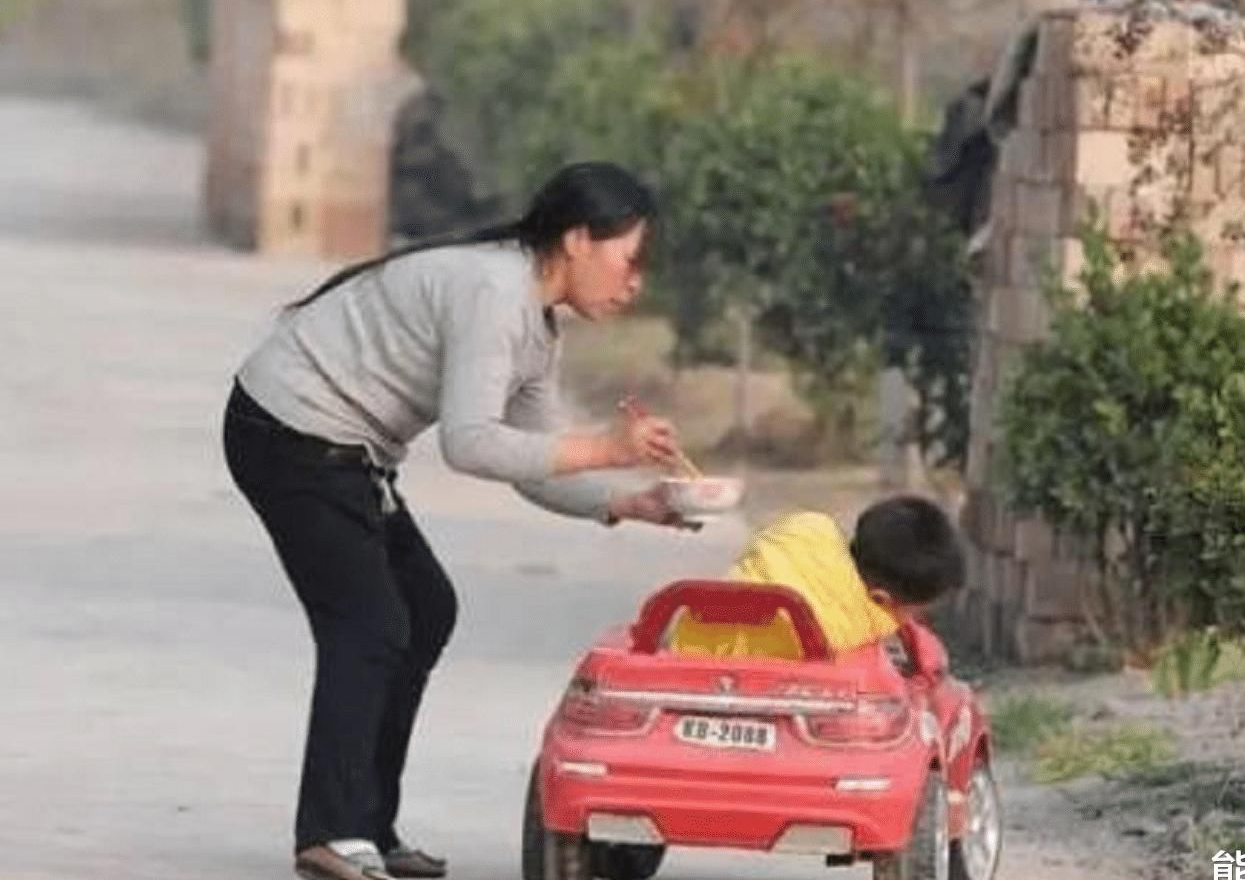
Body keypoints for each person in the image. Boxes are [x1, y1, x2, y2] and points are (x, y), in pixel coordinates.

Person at [223, 162, 696, 880]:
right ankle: (330, 832)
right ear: (578, 239)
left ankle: (368, 827)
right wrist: (608, 447)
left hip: (344, 453)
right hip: (289, 430)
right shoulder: (495, 292)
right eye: (630, 259)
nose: (635, 284)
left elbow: (530, 466)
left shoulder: (535, 327)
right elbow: (470, 443)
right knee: (372, 624)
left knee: (426, 608)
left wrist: (631, 502)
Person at [668, 495, 965, 660]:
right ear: (881, 599)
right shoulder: (852, 634)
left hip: (687, 648)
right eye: (915, 613)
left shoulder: (806, 528)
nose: (910, 622)